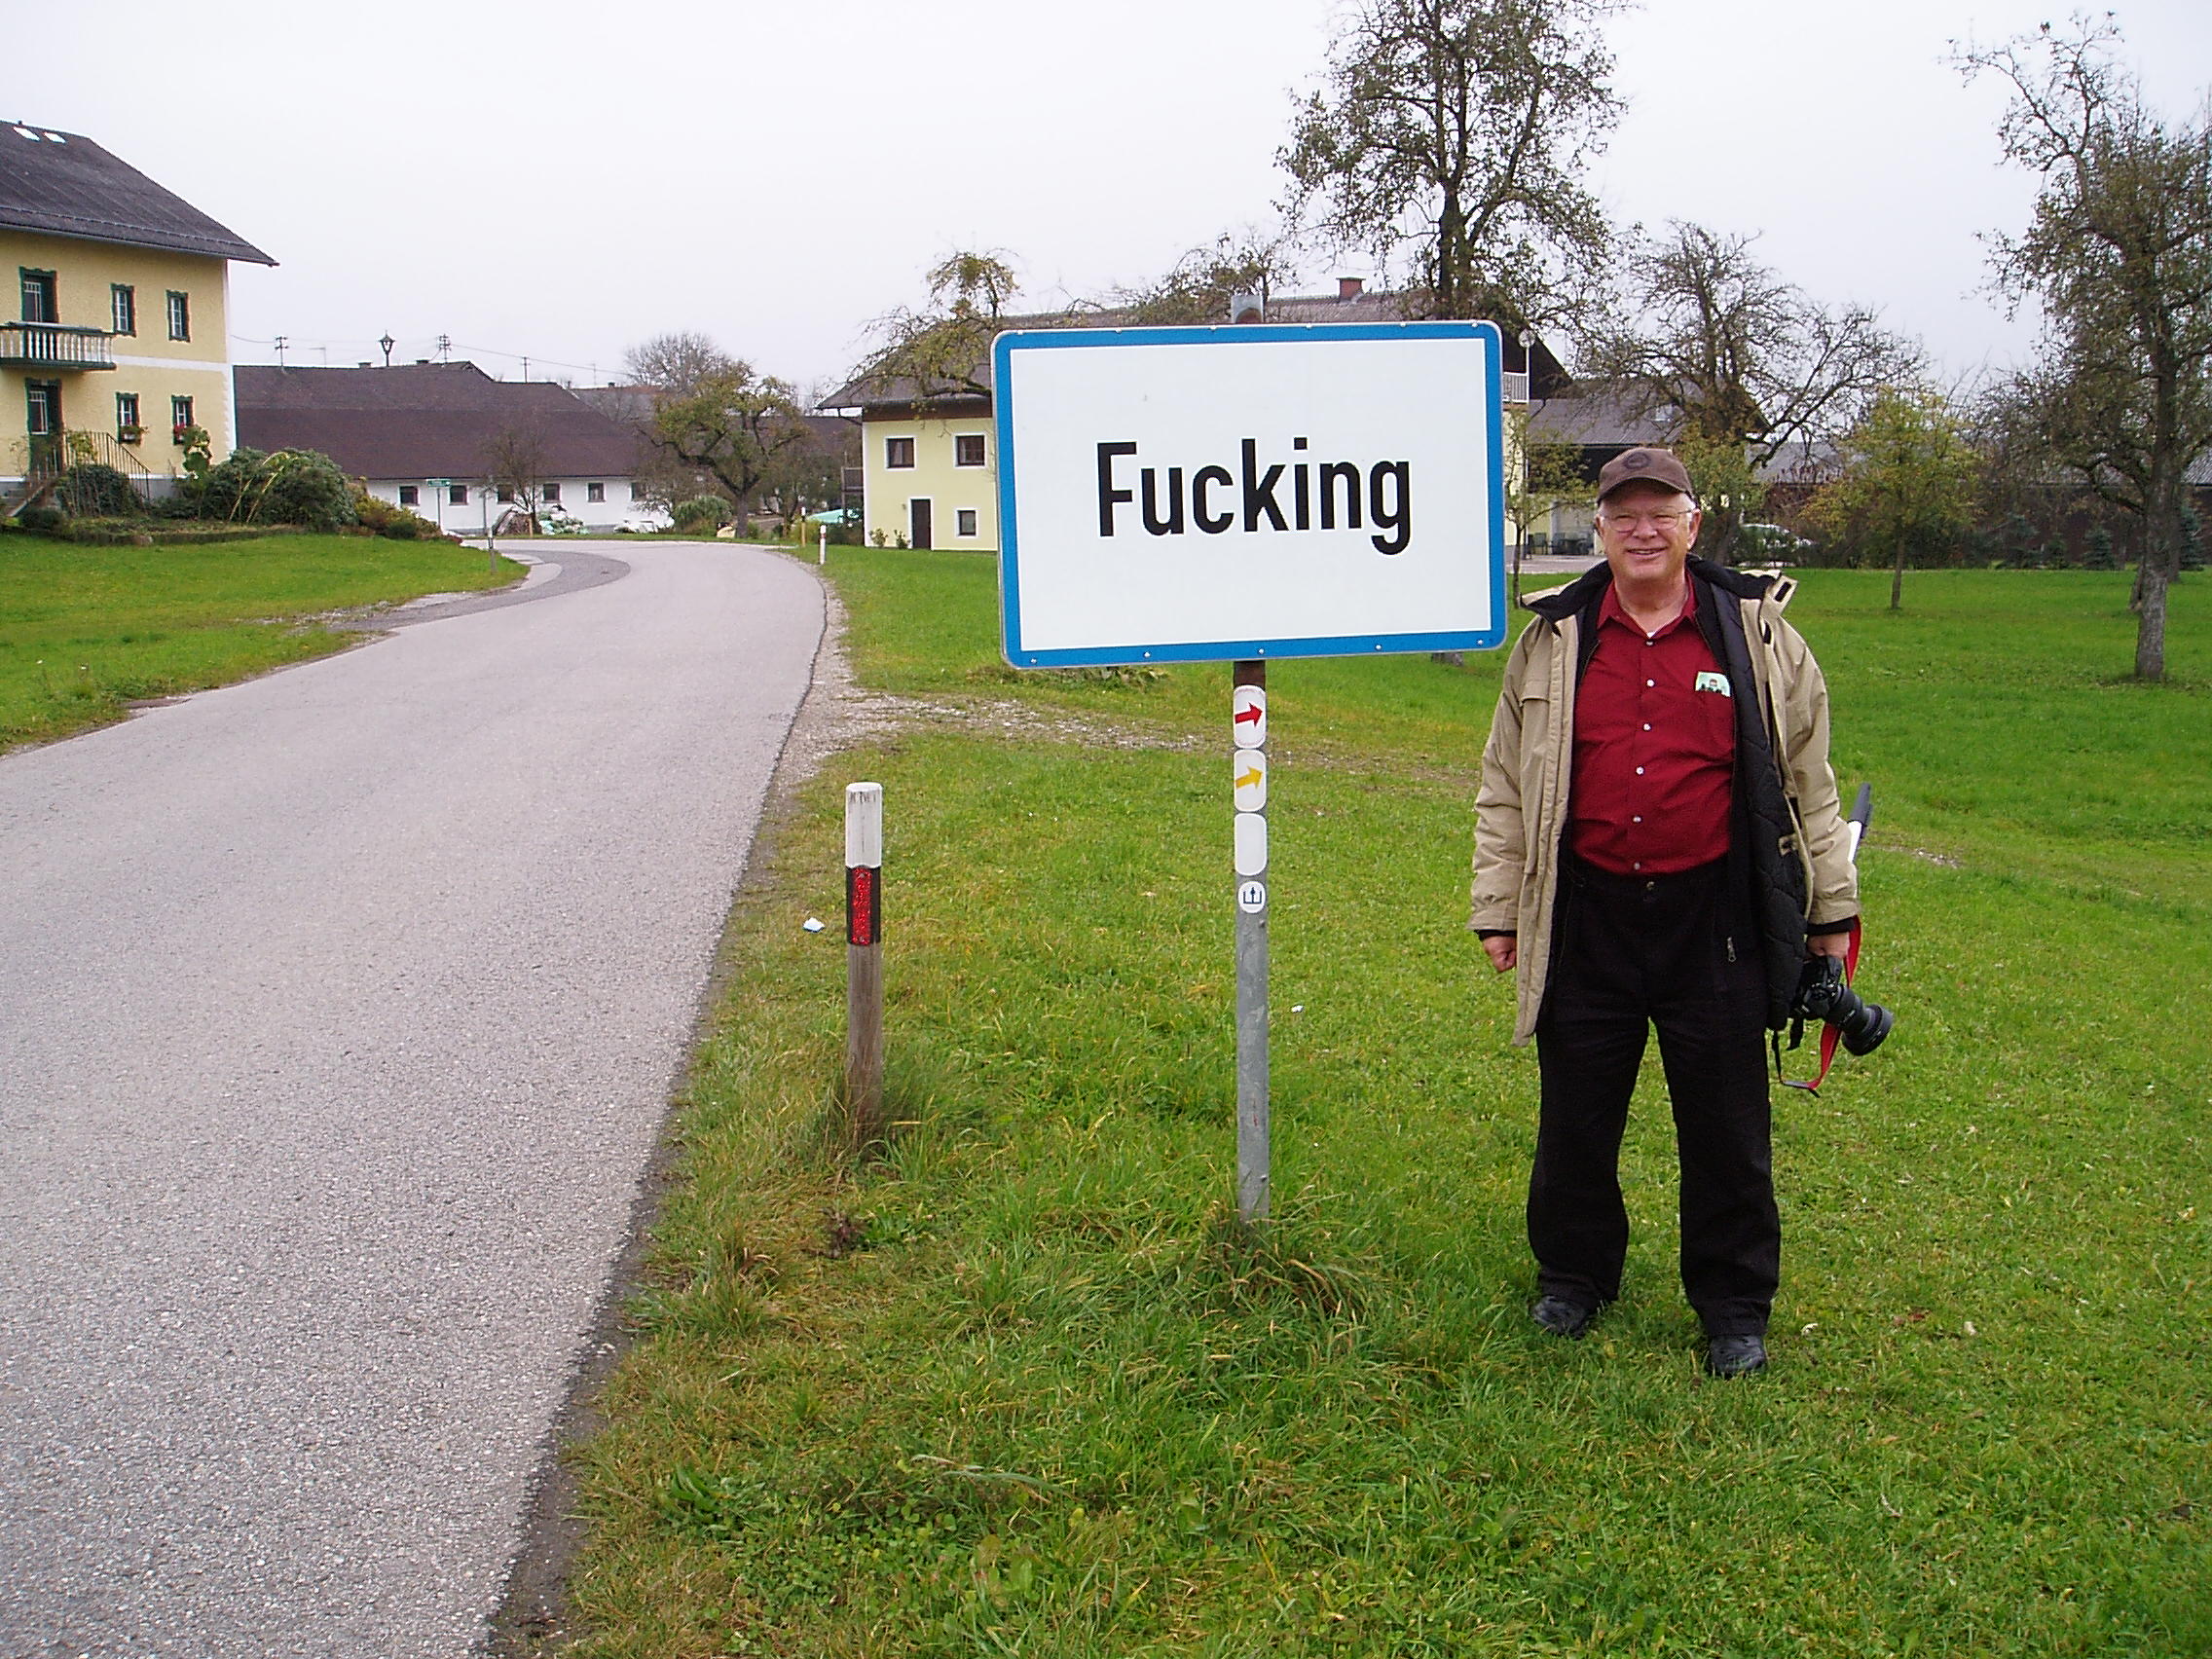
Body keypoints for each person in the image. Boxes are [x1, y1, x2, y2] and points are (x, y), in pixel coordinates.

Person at [1469, 447, 1859, 1377]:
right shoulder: (1554, 639)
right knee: (1576, 1117)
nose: (1642, 531)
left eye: (1660, 513)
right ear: (1601, 530)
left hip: (1714, 919)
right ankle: (1574, 1277)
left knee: (1727, 1127)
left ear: (1693, 525)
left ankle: (1733, 1307)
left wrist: (1831, 912)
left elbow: (1811, 782)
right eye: (1623, 515)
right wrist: (1499, 907)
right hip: (1585, 913)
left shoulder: (1760, 637)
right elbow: (1504, 784)